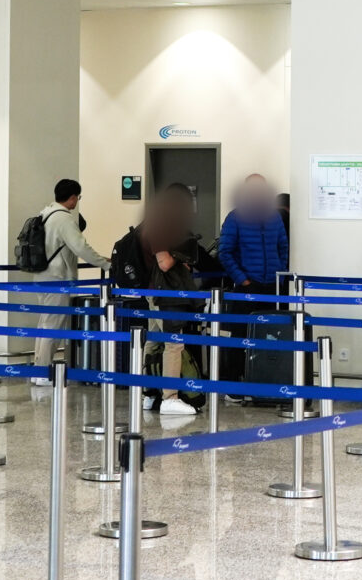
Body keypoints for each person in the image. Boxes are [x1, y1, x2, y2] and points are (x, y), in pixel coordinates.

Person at [108, 183, 213, 419]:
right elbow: (164, 262)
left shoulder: (153, 222)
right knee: (173, 343)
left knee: (153, 341)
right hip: (164, 294)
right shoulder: (162, 226)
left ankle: (150, 393)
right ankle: (170, 397)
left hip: (153, 292)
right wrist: (182, 255)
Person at [217, 174, 288, 390]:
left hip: (272, 288)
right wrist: (243, 280)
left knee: (272, 337)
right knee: (239, 337)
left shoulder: (274, 217)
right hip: (247, 288)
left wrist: (280, 273)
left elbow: (283, 247)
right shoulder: (235, 217)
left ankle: (266, 382)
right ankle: (233, 387)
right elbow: (225, 252)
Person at [34, 178, 96, 367]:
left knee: (44, 323)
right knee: (54, 326)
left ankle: (39, 367)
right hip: (57, 277)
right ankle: (43, 371)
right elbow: (80, 247)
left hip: (41, 274)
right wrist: (105, 264)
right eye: (78, 197)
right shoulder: (63, 218)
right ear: (72, 198)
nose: (77, 201)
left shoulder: (45, 213)